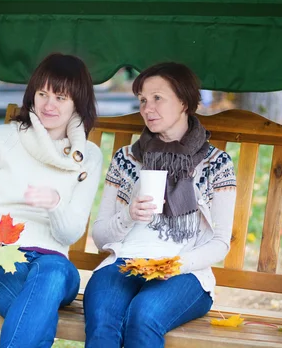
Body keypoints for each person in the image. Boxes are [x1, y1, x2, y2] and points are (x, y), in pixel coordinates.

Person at [0, 53, 103, 348]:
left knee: (52, 272)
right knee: (35, 316)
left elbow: (70, 233)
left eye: (60, 97)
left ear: (78, 103)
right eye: (43, 93)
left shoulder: (89, 157)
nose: (49, 105)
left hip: (55, 269)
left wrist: (55, 204)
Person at [83, 62, 237, 348]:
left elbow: (220, 242)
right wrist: (129, 215)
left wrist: (175, 265)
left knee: (142, 315)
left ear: (184, 102)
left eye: (157, 98)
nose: (147, 108)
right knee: (104, 319)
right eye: (142, 100)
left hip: (185, 272)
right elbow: (102, 237)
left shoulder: (216, 164)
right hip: (123, 262)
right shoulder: (127, 159)